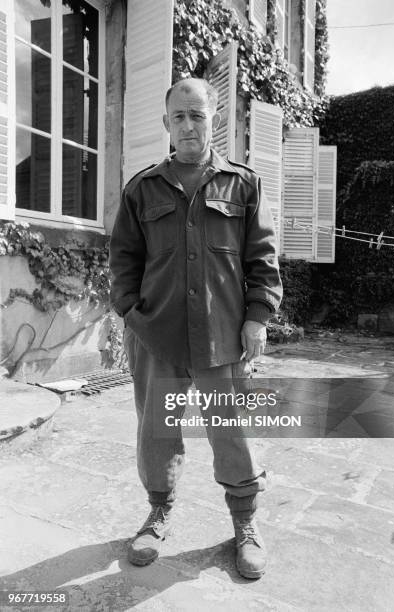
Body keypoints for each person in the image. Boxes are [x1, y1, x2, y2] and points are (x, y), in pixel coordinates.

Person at [109, 78, 283, 579]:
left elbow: (262, 257)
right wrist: (129, 312)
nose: (189, 125)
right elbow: (124, 259)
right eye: (179, 117)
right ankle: (158, 511)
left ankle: (245, 524)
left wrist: (257, 318)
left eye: (198, 115)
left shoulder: (243, 184)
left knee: (233, 432)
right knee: (157, 430)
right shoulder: (142, 189)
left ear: (214, 119)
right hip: (156, 335)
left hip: (222, 335)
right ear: (166, 124)